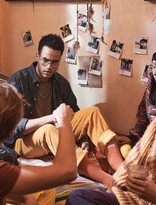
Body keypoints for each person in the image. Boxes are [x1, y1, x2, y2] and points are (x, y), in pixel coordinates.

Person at [6, 34, 123, 187]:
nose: (49, 66)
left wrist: (82, 140)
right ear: (37, 56)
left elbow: (74, 114)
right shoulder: (18, 81)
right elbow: (12, 127)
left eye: (54, 62)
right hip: (23, 141)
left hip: (54, 130)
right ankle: (108, 181)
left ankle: (122, 172)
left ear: (60, 60)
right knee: (48, 129)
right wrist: (52, 117)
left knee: (92, 112)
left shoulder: (61, 82)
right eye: (45, 60)